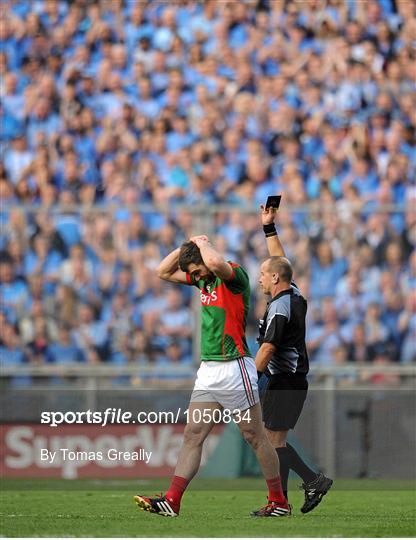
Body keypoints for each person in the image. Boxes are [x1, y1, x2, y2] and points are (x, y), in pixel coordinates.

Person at [134, 235, 290, 517]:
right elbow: (162, 271)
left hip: (234, 368)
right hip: (209, 370)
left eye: (195, 270)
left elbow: (215, 262)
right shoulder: (202, 280)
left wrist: (203, 244)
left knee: (255, 437)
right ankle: (172, 500)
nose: (193, 276)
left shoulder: (233, 277)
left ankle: (278, 501)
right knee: (193, 434)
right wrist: (185, 245)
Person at [255, 205, 333, 513]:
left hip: (284, 380)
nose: (259, 279)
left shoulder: (279, 307)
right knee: (276, 441)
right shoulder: (294, 293)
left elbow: (268, 348)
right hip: (293, 380)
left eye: (262, 274)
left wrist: (249, 378)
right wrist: (269, 228)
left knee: (272, 443)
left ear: (274, 278)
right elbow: (282, 262)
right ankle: (281, 502)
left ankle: (312, 481)